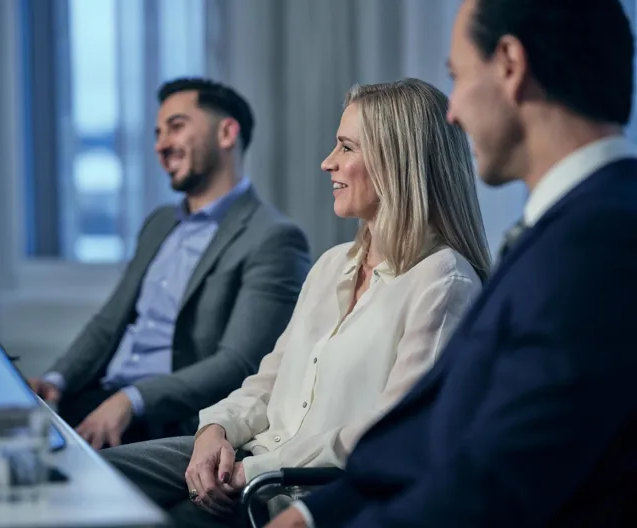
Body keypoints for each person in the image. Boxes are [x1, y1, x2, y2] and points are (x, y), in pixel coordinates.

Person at [268, 0, 637, 527]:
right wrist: (311, 514)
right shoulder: (568, 229)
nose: (454, 112)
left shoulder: (603, 243)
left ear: (510, 65)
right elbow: (434, 433)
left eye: (458, 77)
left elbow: (500, 477)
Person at [102, 78, 492, 528]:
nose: (328, 163)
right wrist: (216, 430)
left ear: (397, 161)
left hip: (296, 489)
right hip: (249, 458)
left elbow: (392, 434)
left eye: (346, 147)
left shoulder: (444, 282)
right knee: (89, 477)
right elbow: (267, 382)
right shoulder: (332, 265)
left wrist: (255, 470)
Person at [28, 78, 311, 449]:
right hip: (101, 396)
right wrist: (56, 380)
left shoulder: (273, 238)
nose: (160, 145)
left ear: (227, 133)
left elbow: (239, 364)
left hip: (167, 419)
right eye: (158, 133)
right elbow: (107, 324)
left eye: (176, 127)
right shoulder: (160, 223)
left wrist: (132, 400)